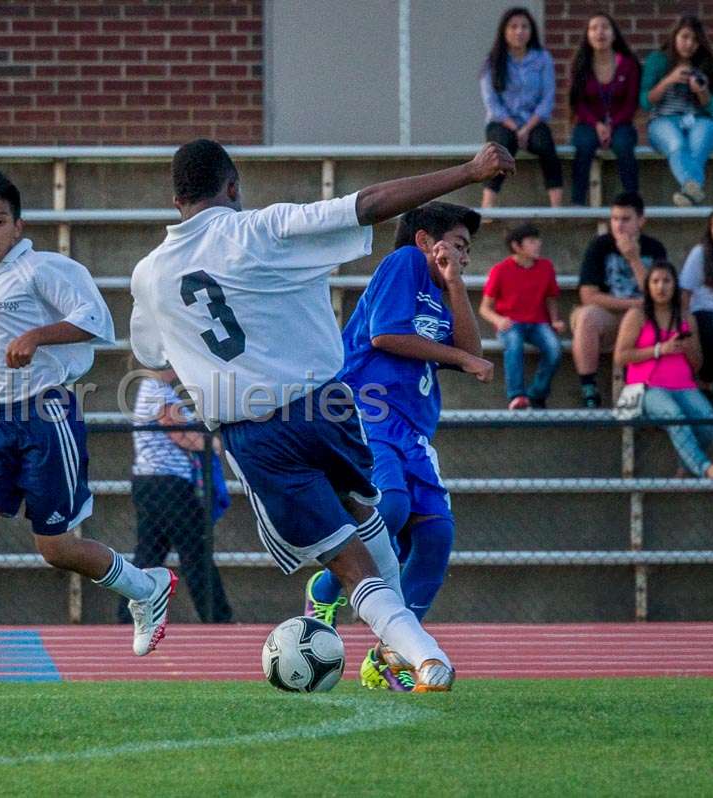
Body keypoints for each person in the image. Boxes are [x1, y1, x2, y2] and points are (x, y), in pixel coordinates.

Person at [130, 137, 515, 692]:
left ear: (175, 201)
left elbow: (149, 353)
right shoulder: (262, 228)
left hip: (252, 429)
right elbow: (370, 203)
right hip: (327, 405)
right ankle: (410, 653)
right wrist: (469, 170)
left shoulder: (148, 274)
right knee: (364, 511)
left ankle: (423, 654)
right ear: (233, 187)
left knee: (343, 559)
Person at [0, 167, 176, 692]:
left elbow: (97, 320)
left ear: (18, 227)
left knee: (55, 547)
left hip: (44, 414)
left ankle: (146, 587)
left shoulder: (43, 269)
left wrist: (39, 335)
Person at [303, 202, 493, 692]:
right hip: (368, 411)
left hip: (414, 430)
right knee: (389, 505)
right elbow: (385, 335)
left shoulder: (441, 288)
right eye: (459, 244)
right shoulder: (404, 264)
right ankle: (325, 586)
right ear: (426, 240)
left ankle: (391, 655)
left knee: (435, 537)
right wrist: (459, 358)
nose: (466, 256)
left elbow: (473, 352)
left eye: (470, 250)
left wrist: (455, 285)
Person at [117, 366, 233, 624]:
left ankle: (126, 618)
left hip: (155, 484)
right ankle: (219, 618)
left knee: (149, 555)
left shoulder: (161, 390)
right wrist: (211, 443)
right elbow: (182, 435)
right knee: (195, 551)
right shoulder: (157, 390)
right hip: (166, 485)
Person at [614, 261, 713, 478]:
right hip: (647, 388)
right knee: (675, 416)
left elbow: (697, 364)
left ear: (675, 285)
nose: (661, 287)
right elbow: (621, 356)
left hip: (683, 385)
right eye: (655, 281)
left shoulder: (687, 317)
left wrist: (688, 350)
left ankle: (685, 467)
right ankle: (706, 468)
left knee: (709, 421)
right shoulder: (637, 315)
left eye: (667, 281)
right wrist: (660, 349)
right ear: (648, 286)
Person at [571, 191, 668, 408]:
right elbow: (588, 296)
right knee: (586, 316)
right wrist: (635, 304)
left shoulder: (654, 249)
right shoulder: (600, 245)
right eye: (614, 219)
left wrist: (634, 259)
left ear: (641, 221)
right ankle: (589, 389)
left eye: (625, 219)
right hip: (609, 316)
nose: (618, 225)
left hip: (642, 320)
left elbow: (660, 297)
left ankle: (636, 389)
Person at [480, 7, 563, 208]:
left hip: (533, 122)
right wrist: (515, 129)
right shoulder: (492, 61)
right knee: (502, 145)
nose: (519, 31)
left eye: (524, 27)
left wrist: (526, 128)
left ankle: (557, 206)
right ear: (504, 31)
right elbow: (491, 102)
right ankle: (488, 204)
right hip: (502, 123)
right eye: (513, 26)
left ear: (531, 31)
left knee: (545, 144)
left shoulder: (542, 59)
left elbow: (547, 98)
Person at [479, 223, 564, 409]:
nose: (538, 244)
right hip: (510, 324)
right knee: (514, 345)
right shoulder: (500, 270)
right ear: (517, 246)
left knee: (555, 349)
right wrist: (499, 320)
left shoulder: (546, 267)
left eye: (537, 240)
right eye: (532, 241)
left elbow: (551, 298)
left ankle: (537, 393)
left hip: (538, 323)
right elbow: (484, 308)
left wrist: (555, 319)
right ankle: (516, 395)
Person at [641, 16, 713, 207]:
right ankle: (694, 189)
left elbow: (712, 108)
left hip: (698, 119)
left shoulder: (706, 63)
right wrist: (669, 80)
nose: (689, 44)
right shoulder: (658, 60)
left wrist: (702, 91)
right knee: (677, 142)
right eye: (685, 37)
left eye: (695, 40)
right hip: (663, 120)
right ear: (675, 36)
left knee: (702, 138)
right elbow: (645, 102)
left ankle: (689, 193)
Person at [568, 13, 641, 206]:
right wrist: (597, 124)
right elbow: (578, 104)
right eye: (594, 28)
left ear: (614, 34)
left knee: (624, 146)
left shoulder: (628, 64)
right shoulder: (581, 64)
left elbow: (631, 103)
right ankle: (577, 203)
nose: (600, 32)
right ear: (587, 35)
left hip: (621, 123)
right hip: (588, 123)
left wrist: (613, 125)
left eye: (605, 27)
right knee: (583, 146)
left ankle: (632, 201)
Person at [679, 210, 713, 385]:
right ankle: (705, 384)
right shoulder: (700, 253)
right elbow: (685, 293)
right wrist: (685, 322)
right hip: (705, 311)